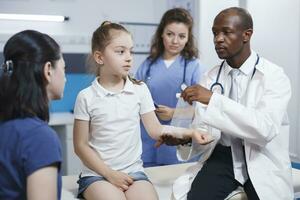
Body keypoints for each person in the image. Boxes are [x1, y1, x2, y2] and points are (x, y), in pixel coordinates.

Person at [160, 7, 293, 200]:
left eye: (226, 32)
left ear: (246, 35)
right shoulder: (210, 77)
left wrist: (212, 99)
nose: (218, 39)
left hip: (261, 158)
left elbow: (265, 129)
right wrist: (186, 138)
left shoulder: (274, 76)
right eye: (215, 33)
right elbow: (204, 130)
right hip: (222, 159)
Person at [73, 21, 212, 200]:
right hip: (97, 175)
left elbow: (156, 130)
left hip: (134, 172)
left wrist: (191, 132)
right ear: (99, 58)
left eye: (130, 51)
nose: (129, 57)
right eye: (120, 51)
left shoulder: (139, 90)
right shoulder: (86, 97)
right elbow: (80, 146)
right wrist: (109, 174)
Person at [135, 7, 206, 166]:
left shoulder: (195, 67)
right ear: (161, 34)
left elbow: (203, 111)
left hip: (179, 145)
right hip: (148, 143)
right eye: (170, 34)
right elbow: (133, 100)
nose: (175, 41)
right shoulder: (147, 66)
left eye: (181, 36)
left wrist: (174, 113)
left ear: (188, 38)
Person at [0, 30, 66, 200]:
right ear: (48, 70)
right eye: (64, 68)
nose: (65, 78)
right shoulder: (39, 138)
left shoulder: (7, 126)